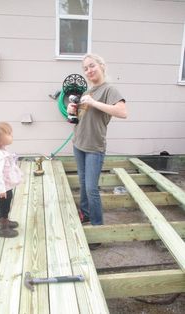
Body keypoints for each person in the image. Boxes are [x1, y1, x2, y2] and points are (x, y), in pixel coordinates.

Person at [67, 53, 127, 249]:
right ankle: (85, 214)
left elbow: (122, 112)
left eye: (92, 66)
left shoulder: (109, 90)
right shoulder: (89, 91)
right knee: (84, 184)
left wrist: (93, 103)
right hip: (79, 144)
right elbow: (83, 117)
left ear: (102, 66)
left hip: (94, 147)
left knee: (92, 188)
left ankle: (98, 228)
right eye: (85, 68)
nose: (89, 71)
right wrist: (71, 111)